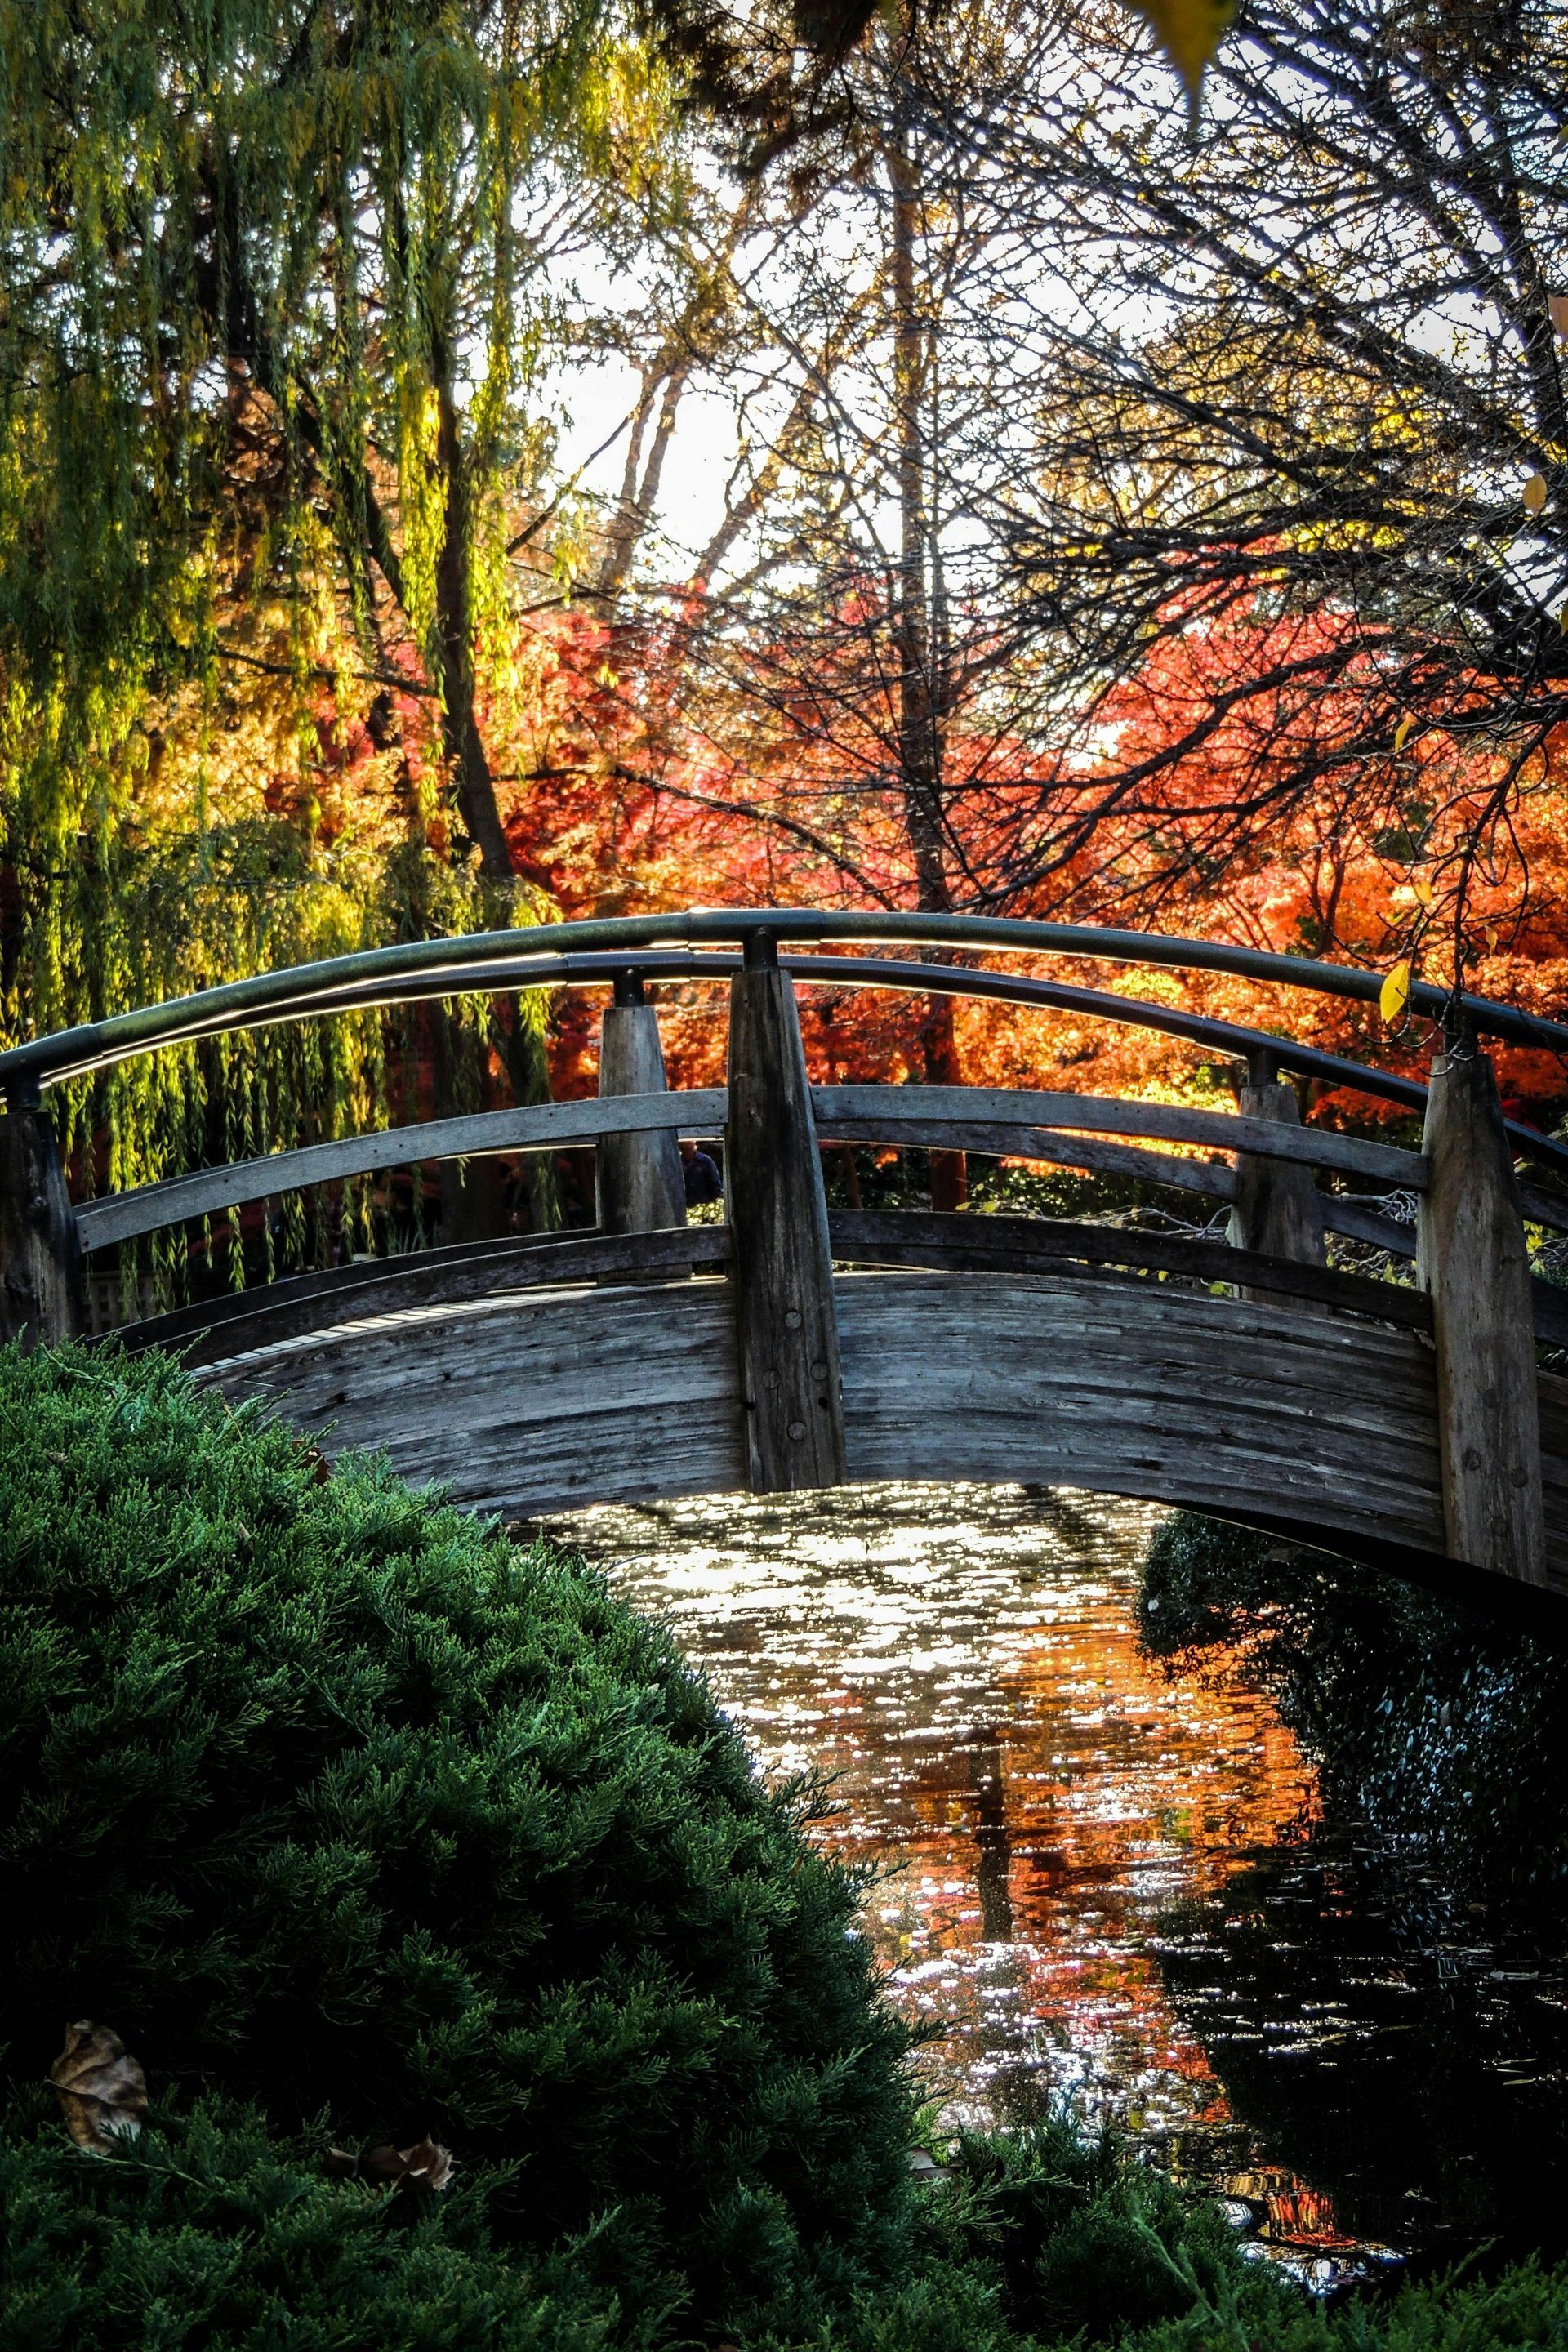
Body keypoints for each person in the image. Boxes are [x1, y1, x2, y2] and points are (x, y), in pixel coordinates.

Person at [680, 1138, 724, 1206]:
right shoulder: (676, 1162)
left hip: (703, 1208)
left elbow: (715, 1186)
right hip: (682, 1207)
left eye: (690, 1138)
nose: (687, 1141)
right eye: (684, 1139)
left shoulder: (705, 1161)